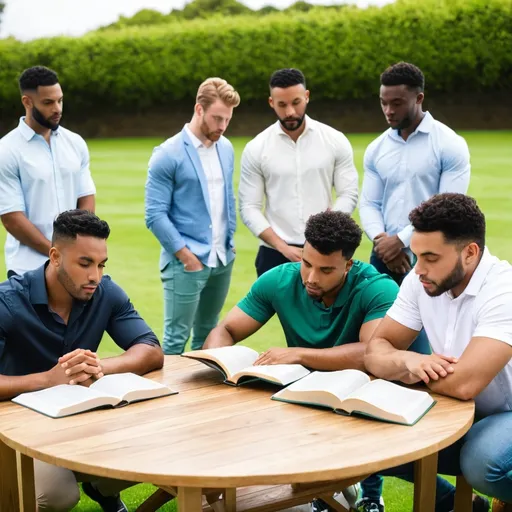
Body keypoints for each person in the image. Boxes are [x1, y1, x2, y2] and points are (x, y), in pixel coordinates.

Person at [0, 209, 164, 512]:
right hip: (16, 429)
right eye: (85, 263)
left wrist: (97, 367)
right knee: (57, 496)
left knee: (154, 446)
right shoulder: (7, 302)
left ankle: (102, 488)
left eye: (101, 265)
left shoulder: (105, 292)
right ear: (55, 256)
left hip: (79, 418)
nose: (95, 276)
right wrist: (48, 379)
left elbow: (150, 349)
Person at [364, 193, 511, 512]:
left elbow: (464, 384)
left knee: (483, 461)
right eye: (416, 256)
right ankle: (464, 505)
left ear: (470, 253)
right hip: (457, 409)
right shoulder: (421, 281)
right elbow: (375, 352)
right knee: (368, 443)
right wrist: (409, 359)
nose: (418, 269)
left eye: (431, 258)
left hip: (505, 413)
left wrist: (404, 375)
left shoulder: (504, 290)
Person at [145, 77, 240, 355]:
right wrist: (186, 256)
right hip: (186, 264)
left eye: (227, 120)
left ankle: (203, 398)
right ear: (199, 109)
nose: (222, 126)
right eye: (217, 118)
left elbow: (226, 199)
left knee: (209, 338)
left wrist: (229, 242)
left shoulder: (226, 148)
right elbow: (154, 215)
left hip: (222, 260)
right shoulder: (167, 154)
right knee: (175, 341)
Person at [239, 68, 358, 277]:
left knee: (327, 310)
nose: (290, 112)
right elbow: (249, 207)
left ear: (307, 96)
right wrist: (283, 247)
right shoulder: (256, 148)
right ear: (271, 103)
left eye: (296, 102)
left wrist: (326, 230)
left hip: (326, 249)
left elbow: (348, 194)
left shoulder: (335, 140)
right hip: (274, 254)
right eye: (282, 105)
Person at [359, 62, 470, 285]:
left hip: (433, 255)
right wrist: (383, 243)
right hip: (383, 256)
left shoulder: (449, 144)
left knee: (430, 321)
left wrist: (399, 241)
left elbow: (446, 208)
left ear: (419, 98)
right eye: (384, 103)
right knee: (379, 321)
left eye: (397, 103)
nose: (389, 111)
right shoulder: (376, 148)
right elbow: (369, 203)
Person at [0, 66, 96, 277]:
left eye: (60, 100)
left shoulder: (75, 143)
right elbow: (12, 219)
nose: (57, 108)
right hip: (28, 270)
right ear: (27, 101)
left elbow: (86, 199)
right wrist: (57, 254)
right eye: (48, 103)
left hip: (73, 265)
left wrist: (77, 249)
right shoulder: (6, 150)